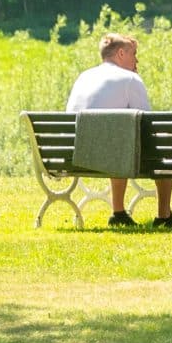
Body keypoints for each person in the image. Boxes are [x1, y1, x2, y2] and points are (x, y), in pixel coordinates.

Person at [65, 32, 151, 227]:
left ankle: (119, 212)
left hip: (74, 155)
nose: (136, 59)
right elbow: (147, 123)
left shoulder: (83, 77)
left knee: (118, 136)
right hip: (111, 155)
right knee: (127, 140)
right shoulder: (130, 79)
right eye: (134, 54)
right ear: (121, 53)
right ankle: (164, 215)